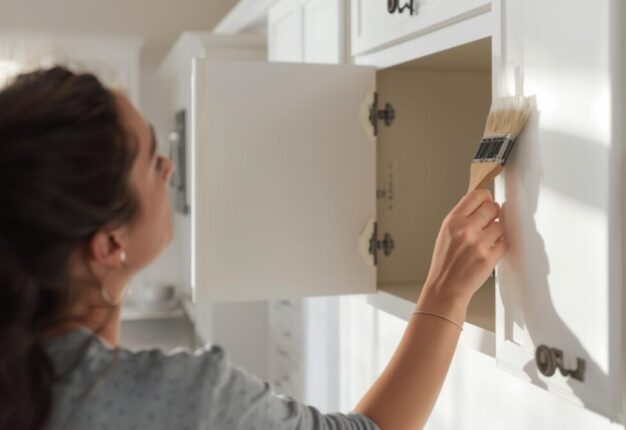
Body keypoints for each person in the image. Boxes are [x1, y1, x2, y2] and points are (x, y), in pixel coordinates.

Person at [0, 66, 509, 430]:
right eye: (154, 161)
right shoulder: (185, 402)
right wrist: (444, 292)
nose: (170, 168)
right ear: (110, 244)